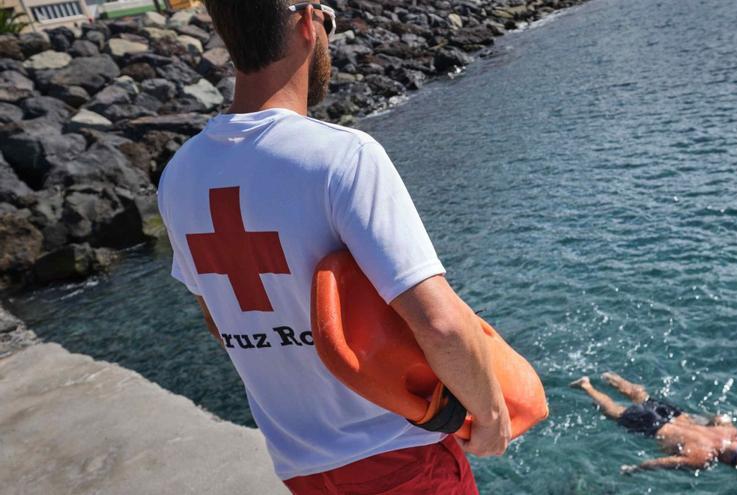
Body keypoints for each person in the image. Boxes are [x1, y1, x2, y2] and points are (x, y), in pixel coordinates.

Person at [157, 2, 510, 493]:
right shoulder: (343, 156)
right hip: (400, 459)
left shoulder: (178, 177)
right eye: (329, 19)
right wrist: (490, 412)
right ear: (307, 22)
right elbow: (440, 323)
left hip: (302, 469)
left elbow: (221, 322)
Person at [569, 372, 737, 473]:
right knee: (613, 412)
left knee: (643, 398)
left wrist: (703, 419)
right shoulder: (703, 458)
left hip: (675, 414)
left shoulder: (730, 432)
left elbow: (721, 418)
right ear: (728, 461)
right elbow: (664, 462)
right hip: (656, 427)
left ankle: (612, 378)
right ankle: (586, 385)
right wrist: (636, 468)